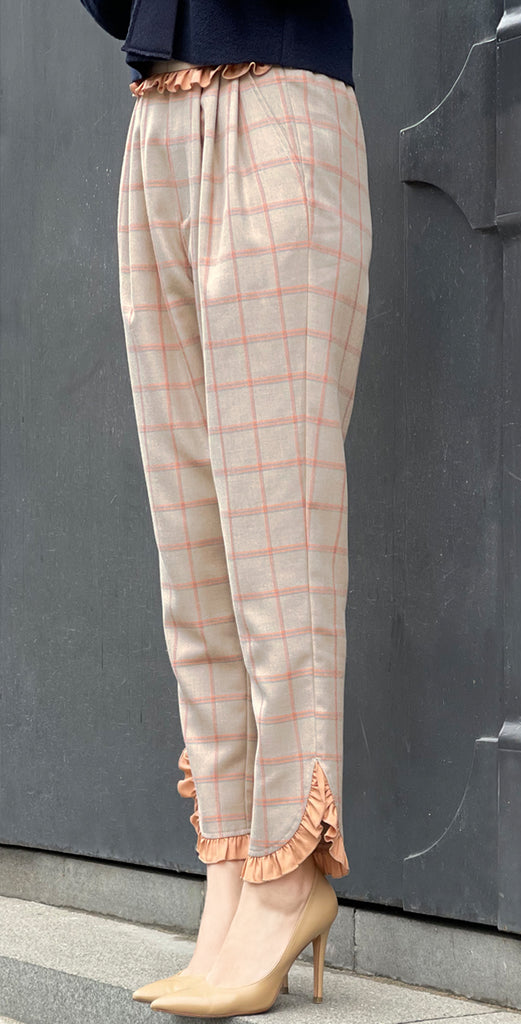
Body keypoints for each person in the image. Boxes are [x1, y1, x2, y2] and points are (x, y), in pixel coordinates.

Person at [79, 0, 373, 1016]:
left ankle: (290, 872)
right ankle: (231, 870)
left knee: (277, 536)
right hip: (156, 122)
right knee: (193, 553)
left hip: (277, 105)